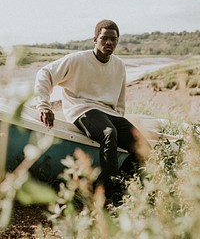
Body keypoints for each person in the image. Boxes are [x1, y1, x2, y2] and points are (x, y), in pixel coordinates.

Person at [35, 19, 150, 205]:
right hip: (82, 108)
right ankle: (109, 197)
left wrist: (121, 123)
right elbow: (45, 73)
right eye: (104, 38)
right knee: (108, 133)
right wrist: (43, 105)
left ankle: (115, 185)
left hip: (108, 113)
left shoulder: (119, 65)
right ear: (95, 39)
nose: (109, 43)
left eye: (113, 39)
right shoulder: (78, 59)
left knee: (144, 148)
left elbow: (119, 101)